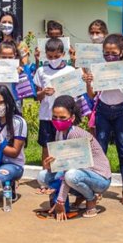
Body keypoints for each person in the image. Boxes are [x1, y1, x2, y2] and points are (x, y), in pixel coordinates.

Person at [83, 33, 123, 205]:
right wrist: (88, 82)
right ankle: (98, 187)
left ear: (121, 52)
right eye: (107, 53)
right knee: (101, 150)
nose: (110, 56)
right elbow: (92, 95)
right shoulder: (98, 68)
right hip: (103, 111)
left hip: (121, 111)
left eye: (114, 53)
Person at [39, 95, 112, 220]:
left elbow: (68, 170)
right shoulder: (59, 133)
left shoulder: (74, 134)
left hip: (100, 177)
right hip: (82, 173)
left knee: (71, 176)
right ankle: (77, 197)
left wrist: (60, 200)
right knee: (43, 176)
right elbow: (61, 167)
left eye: (62, 117)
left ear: (72, 118)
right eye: (54, 117)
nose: (58, 120)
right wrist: (49, 166)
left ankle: (91, 199)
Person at [34, 38, 76, 167]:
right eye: (50, 56)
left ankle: (62, 177)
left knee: (64, 146)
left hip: (65, 117)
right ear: (45, 55)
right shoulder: (41, 71)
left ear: (63, 54)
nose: (53, 59)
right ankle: (46, 176)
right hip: (47, 115)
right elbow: (37, 96)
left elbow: (76, 94)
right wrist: (43, 93)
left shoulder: (70, 70)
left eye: (57, 56)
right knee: (47, 146)